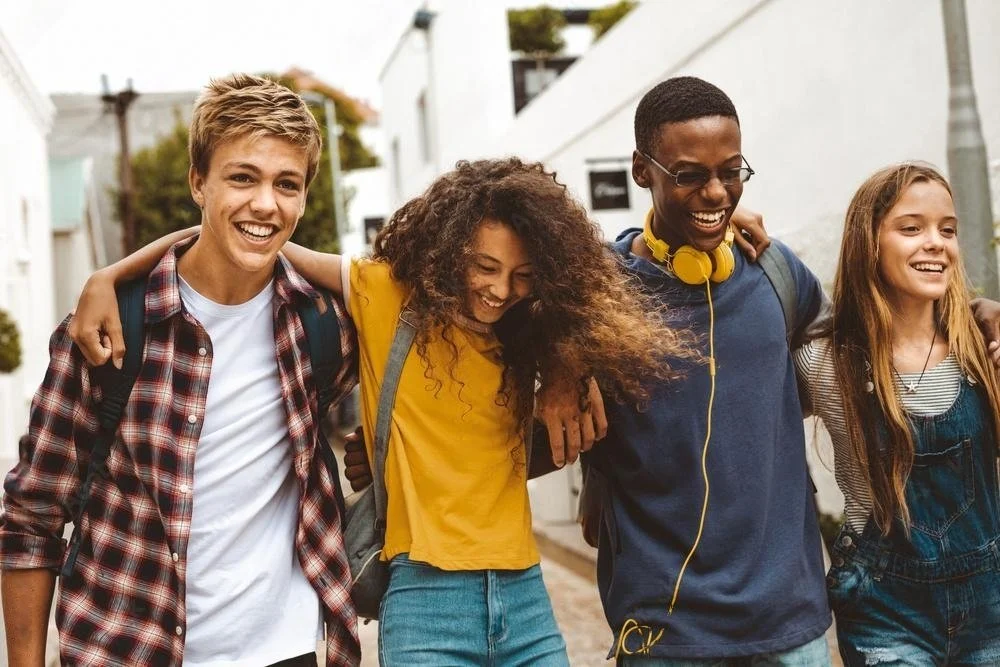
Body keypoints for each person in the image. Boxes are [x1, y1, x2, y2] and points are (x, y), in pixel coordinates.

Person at [65, 156, 708, 665]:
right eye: (483, 267)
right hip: (424, 601)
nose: (498, 290)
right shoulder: (384, 295)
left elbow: (616, 277)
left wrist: (575, 358)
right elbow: (254, 242)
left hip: (526, 596)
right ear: (450, 247)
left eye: (522, 276)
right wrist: (112, 275)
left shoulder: (533, 332)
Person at [0, 74, 360, 667]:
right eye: (242, 177)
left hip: (285, 651)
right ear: (199, 181)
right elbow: (32, 516)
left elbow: (437, 311)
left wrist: (564, 380)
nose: (265, 203)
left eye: (286, 184)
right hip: (129, 645)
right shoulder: (110, 329)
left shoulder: (323, 327)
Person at [588, 76, 835, 665]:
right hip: (662, 631)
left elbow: (857, 346)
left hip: (792, 625)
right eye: (690, 175)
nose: (716, 192)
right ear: (641, 170)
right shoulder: (597, 297)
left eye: (731, 171)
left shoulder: (776, 273)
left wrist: (981, 311)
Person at [794, 163, 1000, 666]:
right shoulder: (823, 360)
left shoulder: (984, 348)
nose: (936, 242)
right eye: (912, 228)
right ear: (869, 242)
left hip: (990, 600)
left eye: (946, 230)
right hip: (882, 605)